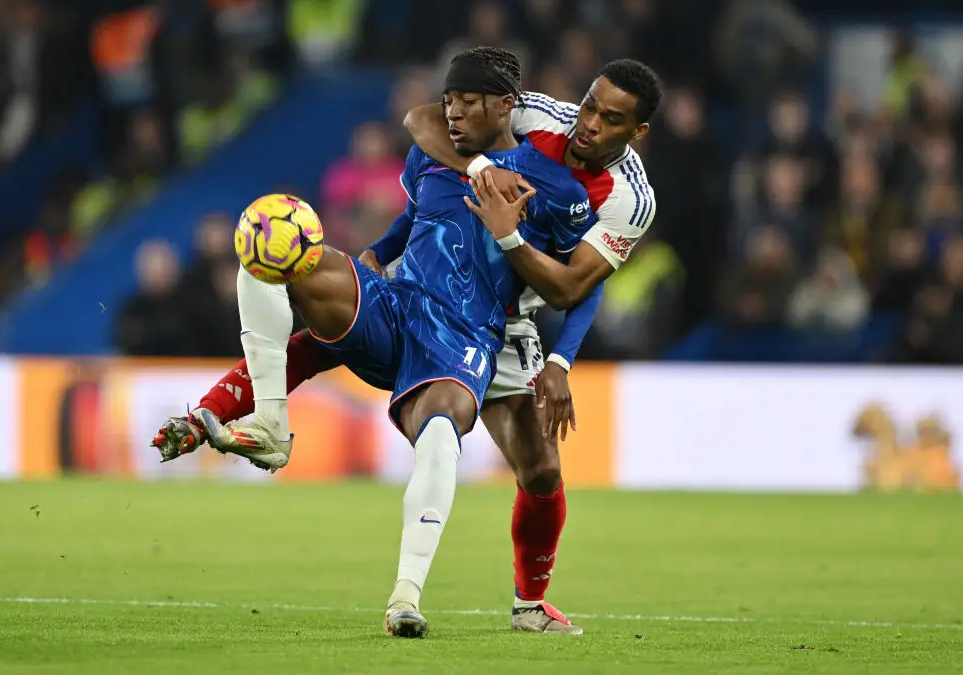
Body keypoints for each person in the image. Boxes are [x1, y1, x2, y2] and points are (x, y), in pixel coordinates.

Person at [157, 58, 664, 636]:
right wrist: (418, 218)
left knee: (542, 471)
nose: (589, 122)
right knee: (275, 249)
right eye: (591, 103)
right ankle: (254, 423)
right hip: (415, 294)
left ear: (636, 131)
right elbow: (423, 170)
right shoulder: (533, 116)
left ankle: (528, 604)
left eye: (609, 117)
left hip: (505, 322)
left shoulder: (617, 197)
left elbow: (578, 284)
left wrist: (558, 357)